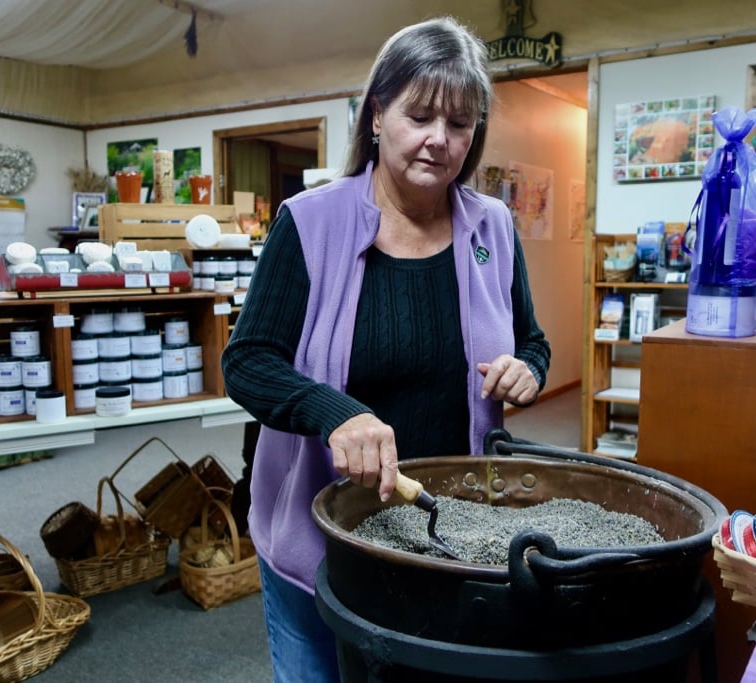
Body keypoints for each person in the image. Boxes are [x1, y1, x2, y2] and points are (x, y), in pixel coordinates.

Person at [221, 15, 550, 682]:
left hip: (447, 534)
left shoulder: (492, 227)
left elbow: (534, 340)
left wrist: (528, 371)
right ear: (377, 114)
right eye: (420, 115)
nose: (440, 139)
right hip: (320, 541)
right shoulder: (310, 223)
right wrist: (334, 410)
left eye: (459, 123)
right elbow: (247, 361)